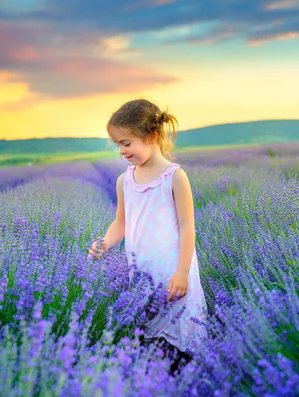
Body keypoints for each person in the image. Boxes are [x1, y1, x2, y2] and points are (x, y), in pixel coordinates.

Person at [88, 98, 208, 376]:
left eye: (126, 143)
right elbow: (121, 222)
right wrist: (104, 244)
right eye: (117, 144)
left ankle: (191, 381)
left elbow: (188, 227)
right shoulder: (124, 181)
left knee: (182, 334)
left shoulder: (174, 177)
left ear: (152, 136)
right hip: (142, 271)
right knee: (151, 336)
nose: (121, 150)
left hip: (174, 270)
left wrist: (182, 272)